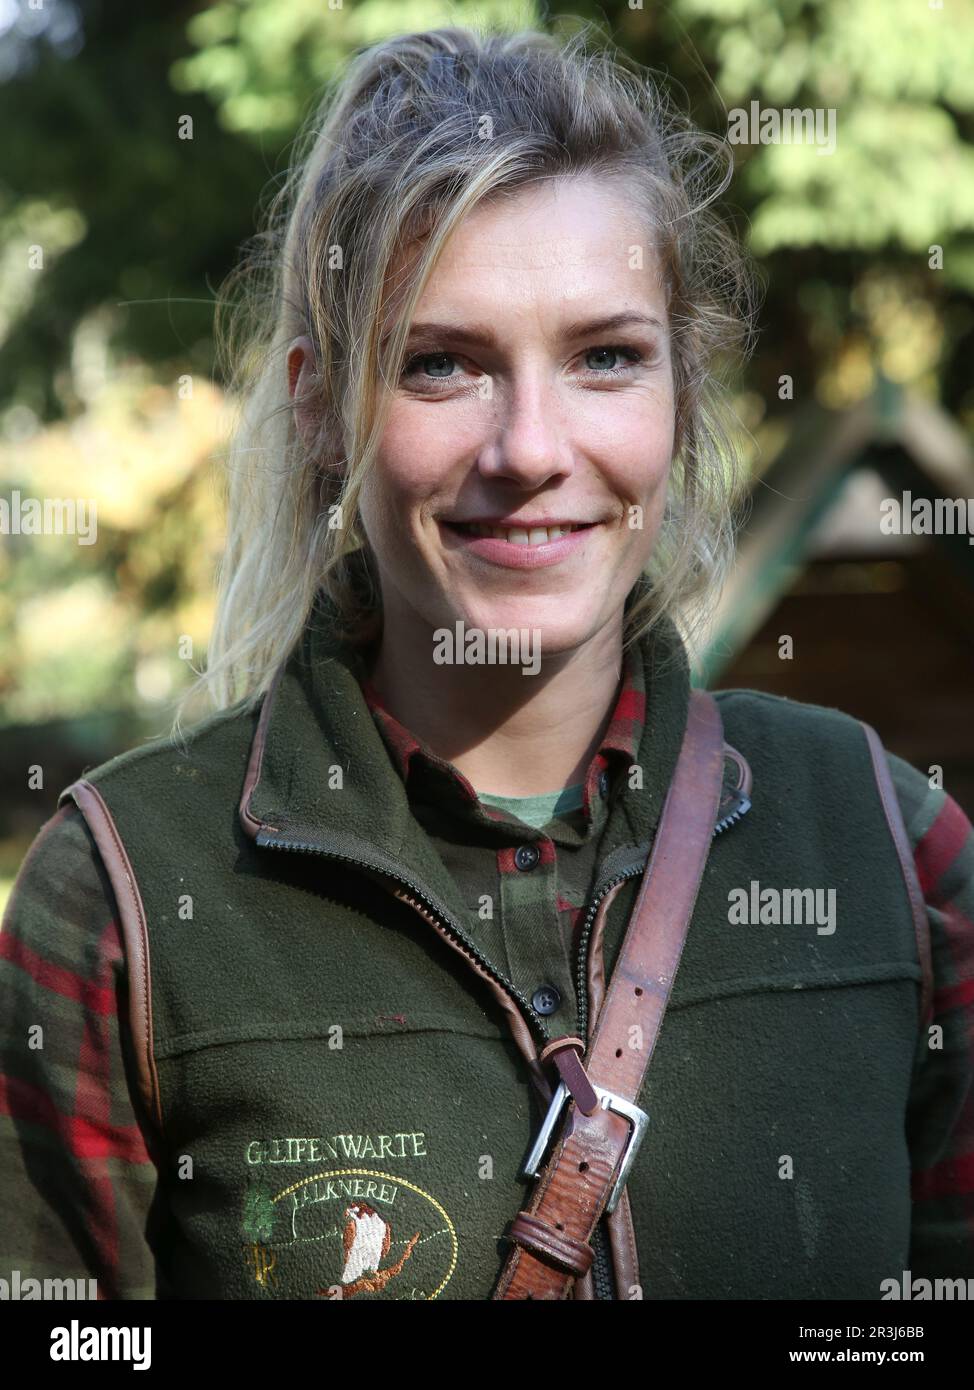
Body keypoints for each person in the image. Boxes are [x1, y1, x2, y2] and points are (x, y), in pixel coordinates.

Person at [2, 23, 972, 1303]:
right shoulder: (123, 896)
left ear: (680, 390)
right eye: (440, 364)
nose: (529, 447)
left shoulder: (894, 850)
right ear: (317, 407)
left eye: (603, 357)